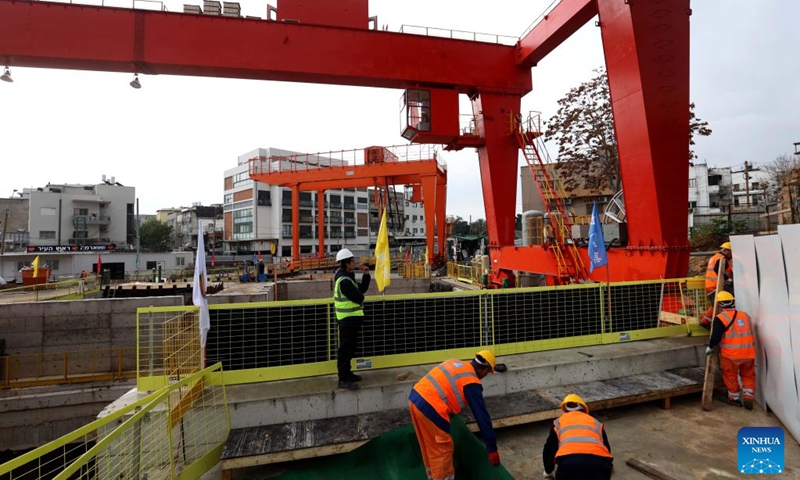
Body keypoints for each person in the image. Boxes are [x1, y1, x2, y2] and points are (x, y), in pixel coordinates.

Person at [408, 350, 501, 479]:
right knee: (443, 449)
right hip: (432, 409)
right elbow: (482, 416)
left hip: (415, 399)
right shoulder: (471, 382)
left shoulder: (455, 363)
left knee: (430, 446)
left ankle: (433, 476)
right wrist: (491, 448)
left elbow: (444, 388)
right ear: (485, 370)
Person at [705, 291, 756, 410]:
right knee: (748, 375)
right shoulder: (745, 315)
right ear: (733, 301)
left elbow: (716, 336)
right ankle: (748, 396)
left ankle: (734, 398)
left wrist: (711, 346)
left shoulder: (721, 318)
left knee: (730, 375)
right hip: (749, 353)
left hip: (731, 355)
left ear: (720, 304)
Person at [543, 394, 613, 480]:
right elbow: (606, 448)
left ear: (565, 410)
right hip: (600, 465)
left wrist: (548, 471)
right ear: (584, 409)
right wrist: (608, 466)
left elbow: (549, 449)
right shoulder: (595, 422)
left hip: (569, 466)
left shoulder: (559, 422)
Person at [333, 248, 370, 390]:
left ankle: (348, 374)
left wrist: (366, 275)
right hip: (347, 320)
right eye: (352, 261)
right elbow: (359, 296)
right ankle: (343, 378)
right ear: (346, 263)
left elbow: (361, 290)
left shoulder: (348, 276)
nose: (354, 263)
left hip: (351, 320)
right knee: (345, 349)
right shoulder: (344, 281)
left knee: (350, 348)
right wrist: (360, 296)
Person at [702, 241, 733, 328]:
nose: (732, 255)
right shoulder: (722, 259)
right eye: (731, 252)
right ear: (726, 251)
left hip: (710, 284)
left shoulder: (716, 257)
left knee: (716, 304)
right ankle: (705, 322)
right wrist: (728, 279)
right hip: (715, 285)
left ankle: (707, 321)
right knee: (718, 304)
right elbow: (718, 270)